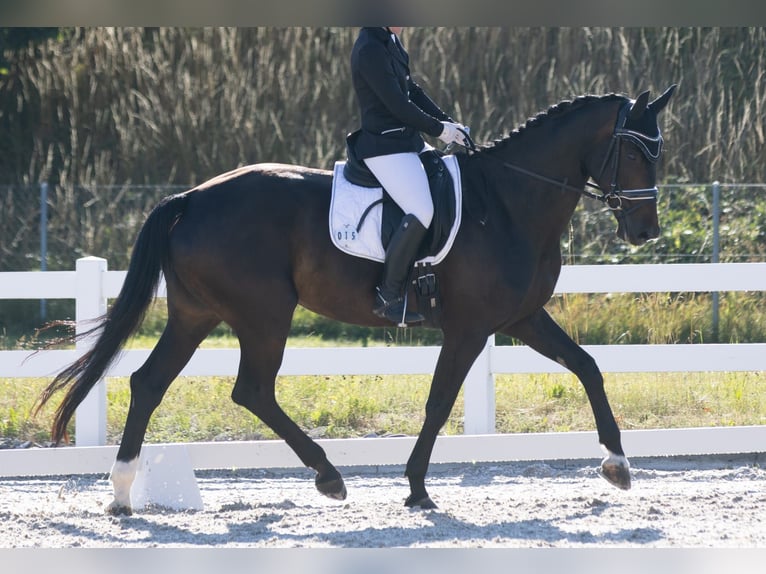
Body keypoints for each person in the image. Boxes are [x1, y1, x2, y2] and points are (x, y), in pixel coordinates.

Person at [349, 26, 470, 325]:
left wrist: (449, 122)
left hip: (407, 141)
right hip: (384, 146)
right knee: (422, 209)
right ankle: (388, 296)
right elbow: (398, 105)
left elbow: (411, 90)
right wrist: (440, 130)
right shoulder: (369, 49)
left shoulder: (389, 40)